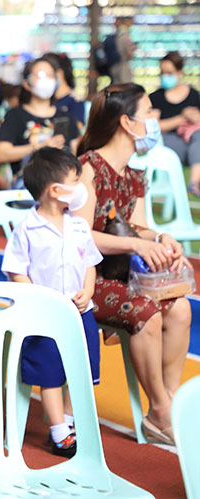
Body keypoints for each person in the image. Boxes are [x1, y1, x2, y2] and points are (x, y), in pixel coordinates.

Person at [74, 83, 192, 445]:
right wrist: (136, 243)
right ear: (127, 122)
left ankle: (167, 405)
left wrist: (160, 238)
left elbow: (138, 226)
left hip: (123, 275)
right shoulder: (89, 168)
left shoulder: (133, 174)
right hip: (86, 280)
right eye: (149, 112)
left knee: (180, 309)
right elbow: (79, 237)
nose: (155, 119)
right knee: (147, 313)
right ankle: (160, 409)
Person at [2, 147, 102, 457]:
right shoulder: (26, 229)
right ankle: (59, 431)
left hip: (80, 312)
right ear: (56, 190)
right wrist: (43, 302)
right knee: (50, 371)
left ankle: (70, 420)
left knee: (81, 366)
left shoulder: (78, 225)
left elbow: (90, 262)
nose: (82, 187)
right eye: (76, 181)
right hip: (44, 317)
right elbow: (16, 271)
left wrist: (88, 290)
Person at [0, 57, 80, 182]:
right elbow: (2, 154)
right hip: (26, 187)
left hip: (62, 185)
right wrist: (39, 147)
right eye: (41, 75)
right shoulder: (15, 116)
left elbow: (77, 153)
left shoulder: (66, 116)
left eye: (50, 75)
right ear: (26, 83)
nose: (46, 80)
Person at [149, 51, 200, 195]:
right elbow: (155, 127)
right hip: (168, 142)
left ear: (179, 72)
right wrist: (182, 118)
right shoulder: (155, 97)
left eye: (169, 73)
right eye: (162, 73)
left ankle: (194, 182)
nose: (165, 77)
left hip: (193, 140)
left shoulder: (194, 95)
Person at [43, 52, 86, 129]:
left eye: (47, 73)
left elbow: (77, 128)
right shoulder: (45, 97)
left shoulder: (75, 99)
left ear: (59, 73)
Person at [110, 17, 136, 85]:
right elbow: (129, 54)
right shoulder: (125, 36)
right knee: (124, 86)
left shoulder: (118, 35)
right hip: (122, 66)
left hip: (115, 65)